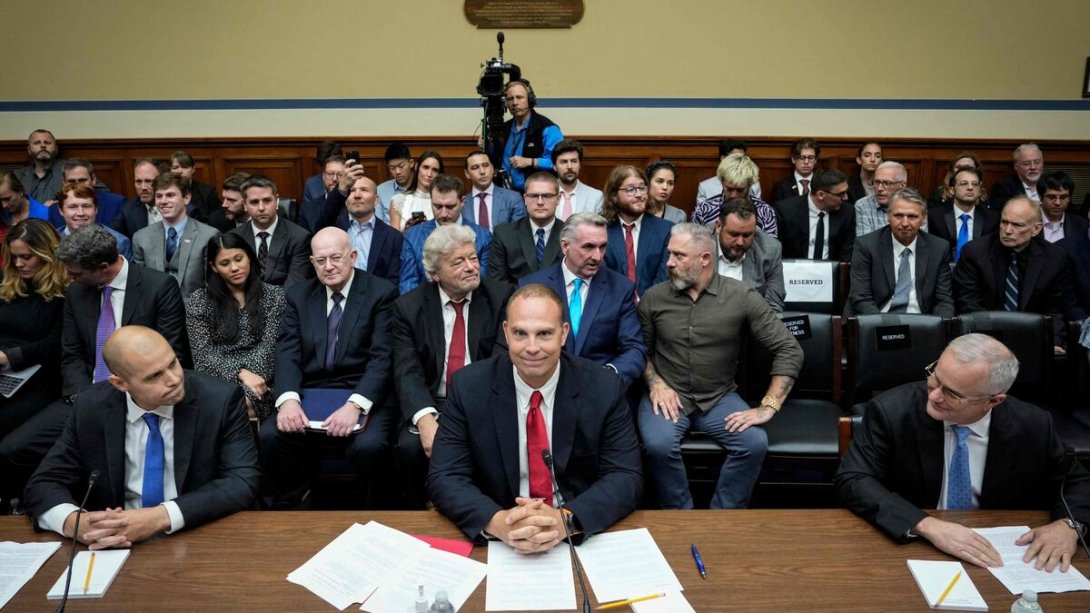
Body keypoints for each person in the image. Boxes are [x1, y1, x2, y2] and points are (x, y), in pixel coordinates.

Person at [836, 334, 1090, 572]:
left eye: (953, 394)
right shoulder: (892, 412)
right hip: (915, 547)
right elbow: (855, 479)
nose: (934, 395)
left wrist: (1069, 525)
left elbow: (1078, 482)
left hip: (1002, 554)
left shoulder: (1033, 425)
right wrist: (926, 525)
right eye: (935, 378)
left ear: (994, 400)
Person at [426, 284, 642, 549]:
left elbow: (625, 476)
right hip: (501, 536)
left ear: (563, 334)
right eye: (520, 333)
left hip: (575, 535)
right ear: (506, 332)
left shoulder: (603, 387)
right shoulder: (469, 387)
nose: (531, 347)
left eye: (544, 334)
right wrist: (497, 522)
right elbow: (444, 476)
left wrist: (565, 521)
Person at [0, 225, 187, 519]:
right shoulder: (78, 292)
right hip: (85, 395)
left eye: (74, 273)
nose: (68, 279)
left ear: (102, 268)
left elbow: (172, 351)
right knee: (13, 449)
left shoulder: (158, 286)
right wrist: (83, 398)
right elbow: (71, 352)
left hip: (139, 395)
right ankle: (58, 509)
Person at [23, 326, 260, 547]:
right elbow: (43, 483)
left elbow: (241, 481)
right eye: (153, 376)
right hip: (113, 544)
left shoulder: (219, 400)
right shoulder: (91, 406)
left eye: (173, 363)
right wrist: (76, 523)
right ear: (120, 383)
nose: (174, 379)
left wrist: (159, 517)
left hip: (194, 536)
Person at [638, 223, 802, 509]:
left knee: (753, 443)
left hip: (718, 397)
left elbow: (788, 348)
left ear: (704, 258)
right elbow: (637, 350)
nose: (669, 263)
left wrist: (768, 406)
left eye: (678, 256)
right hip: (668, 396)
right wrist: (655, 383)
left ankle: (723, 517)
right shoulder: (654, 298)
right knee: (659, 445)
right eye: (669, 254)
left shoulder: (741, 296)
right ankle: (680, 518)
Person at [260, 227, 397, 509]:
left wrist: (355, 406)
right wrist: (287, 400)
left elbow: (382, 358)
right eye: (320, 261)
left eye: (336, 257)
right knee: (272, 434)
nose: (329, 266)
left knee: (368, 445)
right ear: (312, 263)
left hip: (360, 390)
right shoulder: (299, 295)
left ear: (353, 256)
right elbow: (287, 351)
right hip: (311, 390)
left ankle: (367, 512)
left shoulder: (381, 293)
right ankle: (291, 507)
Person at [392, 225, 513, 509]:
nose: (471, 267)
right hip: (434, 400)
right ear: (435, 274)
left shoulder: (502, 297)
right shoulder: (409, 308)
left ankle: (487, 510)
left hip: (487, 397)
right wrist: (424, 419)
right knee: (410, 448)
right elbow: (406, 369)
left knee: (490, 443)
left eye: (473, 258)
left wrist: (473, 411)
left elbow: (502, 357)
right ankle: (418, 517)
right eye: (458, 262)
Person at [520, 212, 646, 387]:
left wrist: (607, 376)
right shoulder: (532, 287)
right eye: (588, 247)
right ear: (565, 246)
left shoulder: (620, 288)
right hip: (546, 386)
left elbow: (635, 349)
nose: (598, 256)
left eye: (602, 247)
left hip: (600, 389)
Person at [0, 220, 67, 511]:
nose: (19, 263)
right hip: (6, 369)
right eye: (14, 257)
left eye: (26, 256)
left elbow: (56, 344)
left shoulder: (65, 292)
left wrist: (11, 357)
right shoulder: (10, 285)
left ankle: (19, 498)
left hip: (42, 374)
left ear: (47, 253)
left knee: (9, 424)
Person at [954, 196, 1075, 354]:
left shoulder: (1054, 258)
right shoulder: (975, 252)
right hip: (984, 337)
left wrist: (1055, 340)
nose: (1008, 230)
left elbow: (1054, 308)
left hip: (1032, 337)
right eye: (1004, 222)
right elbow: (968, 302)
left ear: (1036, 229)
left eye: (1017, 225)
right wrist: (997, 340)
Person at [186, 233, 286, 421]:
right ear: (214, 268)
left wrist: (249, 378)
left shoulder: (274, 296)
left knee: (234, 405)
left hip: (264, 379)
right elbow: (202, 355)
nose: (234, 268)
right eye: (225, 264)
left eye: (239, 259)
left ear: (249, 257)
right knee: (224, 403)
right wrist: (240, 373)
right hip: (217, 378)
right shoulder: (199, 301)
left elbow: (270, 350)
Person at [848, 188, 954, 316]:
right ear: (888, 216)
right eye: (898, 216)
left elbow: (944, 300)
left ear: (924, 218)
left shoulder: (938, 248)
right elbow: (861, 298)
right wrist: (883, 327)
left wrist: (936, 327)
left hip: (922, 321)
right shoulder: (867, 245)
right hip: (879, 318)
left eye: (912, 216)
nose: (905, 223)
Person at [399, 174, 492, 294]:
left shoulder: (483, 236)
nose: (443, 214)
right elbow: (408, 284)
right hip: (424, 308)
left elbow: (482, 284)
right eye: (437, 206)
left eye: (450, 207)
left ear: (462, 201)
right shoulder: (412, 236)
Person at [132, 173, 220, 298]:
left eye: (170, 195)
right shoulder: (141, 238)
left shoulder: (209, 236)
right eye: (159, 196)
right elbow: (139, 286)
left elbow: (213, 287)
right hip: (157, 312)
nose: (163, 201)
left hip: (197, 313)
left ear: (186, 198)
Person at [601, 165, 673, 298]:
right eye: (631, 190)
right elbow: (602, 277)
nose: (639, 194)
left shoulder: (666, 230)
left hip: (653, 308)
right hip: (612, 307)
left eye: (642, 188)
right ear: (614, 196)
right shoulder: (601, 230)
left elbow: (664, 277)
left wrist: (645, 306)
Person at [229, 175, 312, 289]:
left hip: (285, 303)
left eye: (267, 200)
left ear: (277, 201)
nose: (261, 207)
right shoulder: (234, 237)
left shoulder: (299, 237)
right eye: (254, 202)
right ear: (244, 205)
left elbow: (295, 286)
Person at [488, 171, 565, 284]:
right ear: (525, 199)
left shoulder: (571, 234)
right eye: (533, 196)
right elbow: (498, 285)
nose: (540, 202)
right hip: (516, 299)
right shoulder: (504, 234)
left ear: (558, 199)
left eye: (547, 196)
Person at [714, 198, 785, 312]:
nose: (740, 242)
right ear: (718, 226)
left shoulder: (770, 250)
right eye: (734, 234)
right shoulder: (697, 245)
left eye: (747, 235)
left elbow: (774, 306)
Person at [774, 168, 856, 261]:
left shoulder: (847, 212)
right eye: (841, 194)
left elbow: (847, 253)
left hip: (832, 271)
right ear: (821, 194)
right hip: (795, 271)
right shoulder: (786, 211)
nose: (846, 197)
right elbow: (779, 251)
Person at [496, 79, 563, 192]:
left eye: (519, 97)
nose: (515, 103)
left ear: (530, 100)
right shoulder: (502, 129)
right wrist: (487, 145)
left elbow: (558, 162)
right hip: (504, 193)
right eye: (510, 99)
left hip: (535, 194)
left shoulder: (548, 128)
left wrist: (530, 162)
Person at [691, 152, 778, 237]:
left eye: (740, 190)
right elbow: (694, 245)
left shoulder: (765, 212)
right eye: (729, 189)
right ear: (721, 183)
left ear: (750, 185)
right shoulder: (704, 210)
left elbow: (770, 248)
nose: (733, 195)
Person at [926, 167, 999, 262]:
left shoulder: (992, 219)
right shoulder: (935, 216)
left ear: (980, 191)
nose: (970, 188)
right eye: (964, 184)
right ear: (952, 190)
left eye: (975, 184)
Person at [55, 182, 132, 260]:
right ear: (61, 211)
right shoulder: (50, 241)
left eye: (86, 206)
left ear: (96, 209)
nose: (80, 213)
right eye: (73, 207)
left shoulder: (119, 242)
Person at [46, 159, 125, 231]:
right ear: (64, 183)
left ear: (93, 180)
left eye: (82, 180)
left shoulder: (116, 203)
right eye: (71, 181)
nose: (78, 185)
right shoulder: (53, 210)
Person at [462, 149, 526, 230]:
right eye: (475, 167)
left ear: (492, 168)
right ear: (467, 174)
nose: (482, 171)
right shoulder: (461, 204)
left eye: (485, 165)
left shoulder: (513, 198)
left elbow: (518, 232)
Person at [389, 151, 443, 232]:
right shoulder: (398, 200)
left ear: (439, 174)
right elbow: (393, 240)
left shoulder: (444, 203)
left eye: (435, 170)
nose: (429, 174)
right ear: (417, 166)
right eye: (425, 167)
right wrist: (407, 229)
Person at [696, 139, 762, 205]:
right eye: (734, 158)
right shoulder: (705, 186)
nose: (739, 161)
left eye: (742, 157)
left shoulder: (754, 184)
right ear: (723, 159)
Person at [552, 139, 603, 220]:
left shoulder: (595, 196)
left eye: (574, 161)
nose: (569, 166)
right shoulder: (544, 195)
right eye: (564, 162)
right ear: (554, 166)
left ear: (580, 164)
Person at [853, 161, 907, 236]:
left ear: (902, 185)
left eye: (887, 183)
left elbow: (920, 242)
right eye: (877, 182)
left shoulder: (915, 206)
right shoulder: (863, 205)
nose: (879, 188)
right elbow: (865, 244)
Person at [113, 158, 163, 238]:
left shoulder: (184, 208)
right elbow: (114, 237)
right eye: (138, 182)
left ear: (161, 180)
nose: (143, 187)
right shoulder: (128, 209)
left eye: (148, 181)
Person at [13, 129, 65, 205]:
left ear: (56, 149)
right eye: (37, 143)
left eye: (47, 143)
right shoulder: (17, 176)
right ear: (29, 150)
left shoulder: (68, 170)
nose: (43, 146)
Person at [990, 143, 1045, 212]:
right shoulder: (1004, 188)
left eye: (1037, 162)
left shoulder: (1049, 183)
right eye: (1027, 163)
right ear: (1016, 166)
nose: (1033, 167)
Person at [298, 155, 347, 232]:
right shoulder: (307, 208)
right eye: (330, 174)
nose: (334, 179)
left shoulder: (354, 205)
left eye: (340, 175)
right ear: (323, 176)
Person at [169, 151, 220, 221]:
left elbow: (216, 220)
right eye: (175, 168)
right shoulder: (164, 193)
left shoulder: (208, 192)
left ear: (193, 169)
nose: (180, 171)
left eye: (184, 167)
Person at [1040, 171, 1087, 243]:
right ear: (1041, 198)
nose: (1057, 203)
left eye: (1063, 197)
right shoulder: (1028, 222)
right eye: (1052, 197)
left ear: (1069, 199)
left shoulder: (1081, 225)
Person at [771, 138, 820, 203]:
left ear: (816, 160)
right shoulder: (781, 187)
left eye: (810, 158)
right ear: (793, 159)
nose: (806, 162)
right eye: (802, 158)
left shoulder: (823, 184)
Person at [376, 142, 412, 224]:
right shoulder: (380, 190)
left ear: (411, 163)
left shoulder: (421, 187)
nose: (397, 172)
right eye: (392, 168)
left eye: (401, 166)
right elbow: (378, 225)